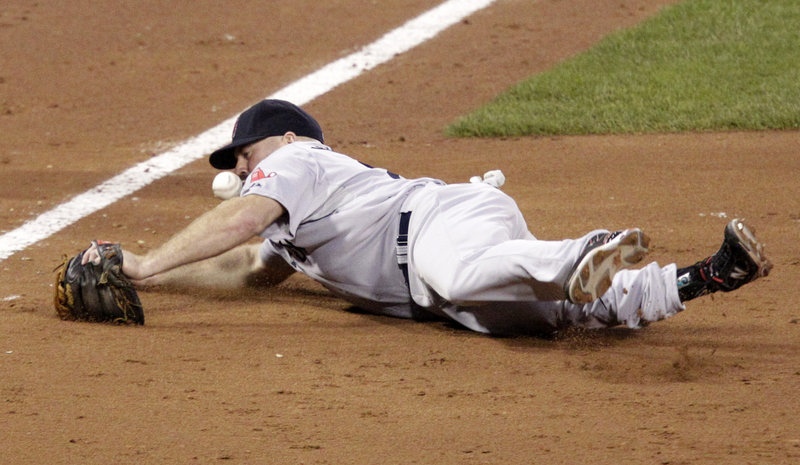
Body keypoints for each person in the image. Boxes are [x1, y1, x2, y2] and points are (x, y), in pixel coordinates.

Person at [81, 99, 772, 335]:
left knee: (468, 273)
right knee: (570, 313)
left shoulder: (296, 162)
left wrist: (143, 259)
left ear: (285, 139)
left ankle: (583, 252)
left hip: (439, 226)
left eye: (242, 153)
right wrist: (150, 281)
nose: (236, 170)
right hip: (441, 289)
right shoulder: (291, 222)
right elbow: (247, 268)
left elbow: (239, 221)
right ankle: (709, 275)